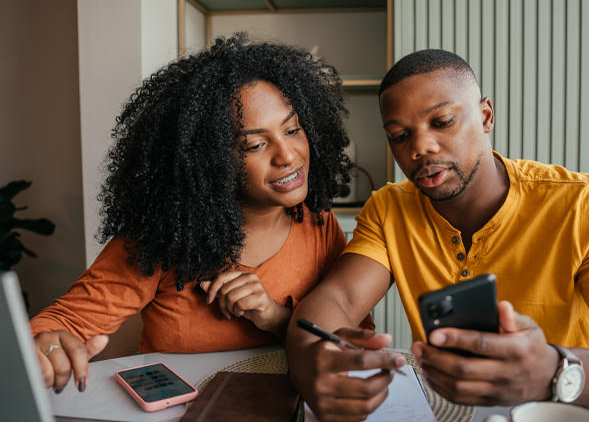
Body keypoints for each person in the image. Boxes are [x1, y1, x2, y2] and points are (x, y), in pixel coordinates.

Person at [286, 49, 589, 422]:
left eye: (443, 121)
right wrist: (314, 363)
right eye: (400, 136)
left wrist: (552, 371)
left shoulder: (584, 203)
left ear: (486, 116)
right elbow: (338, 297)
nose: (420, 148)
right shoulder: (390, 209)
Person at [30, 33, 373, 394]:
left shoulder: (319, 223)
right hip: (182, 420)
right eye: (255, 144)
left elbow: (356, 337)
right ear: (209, 159)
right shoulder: (164, 235)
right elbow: (62, 321)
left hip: (289, 410)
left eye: (292, 129)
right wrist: (46, 345)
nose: (288, 155)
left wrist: (276, 318)